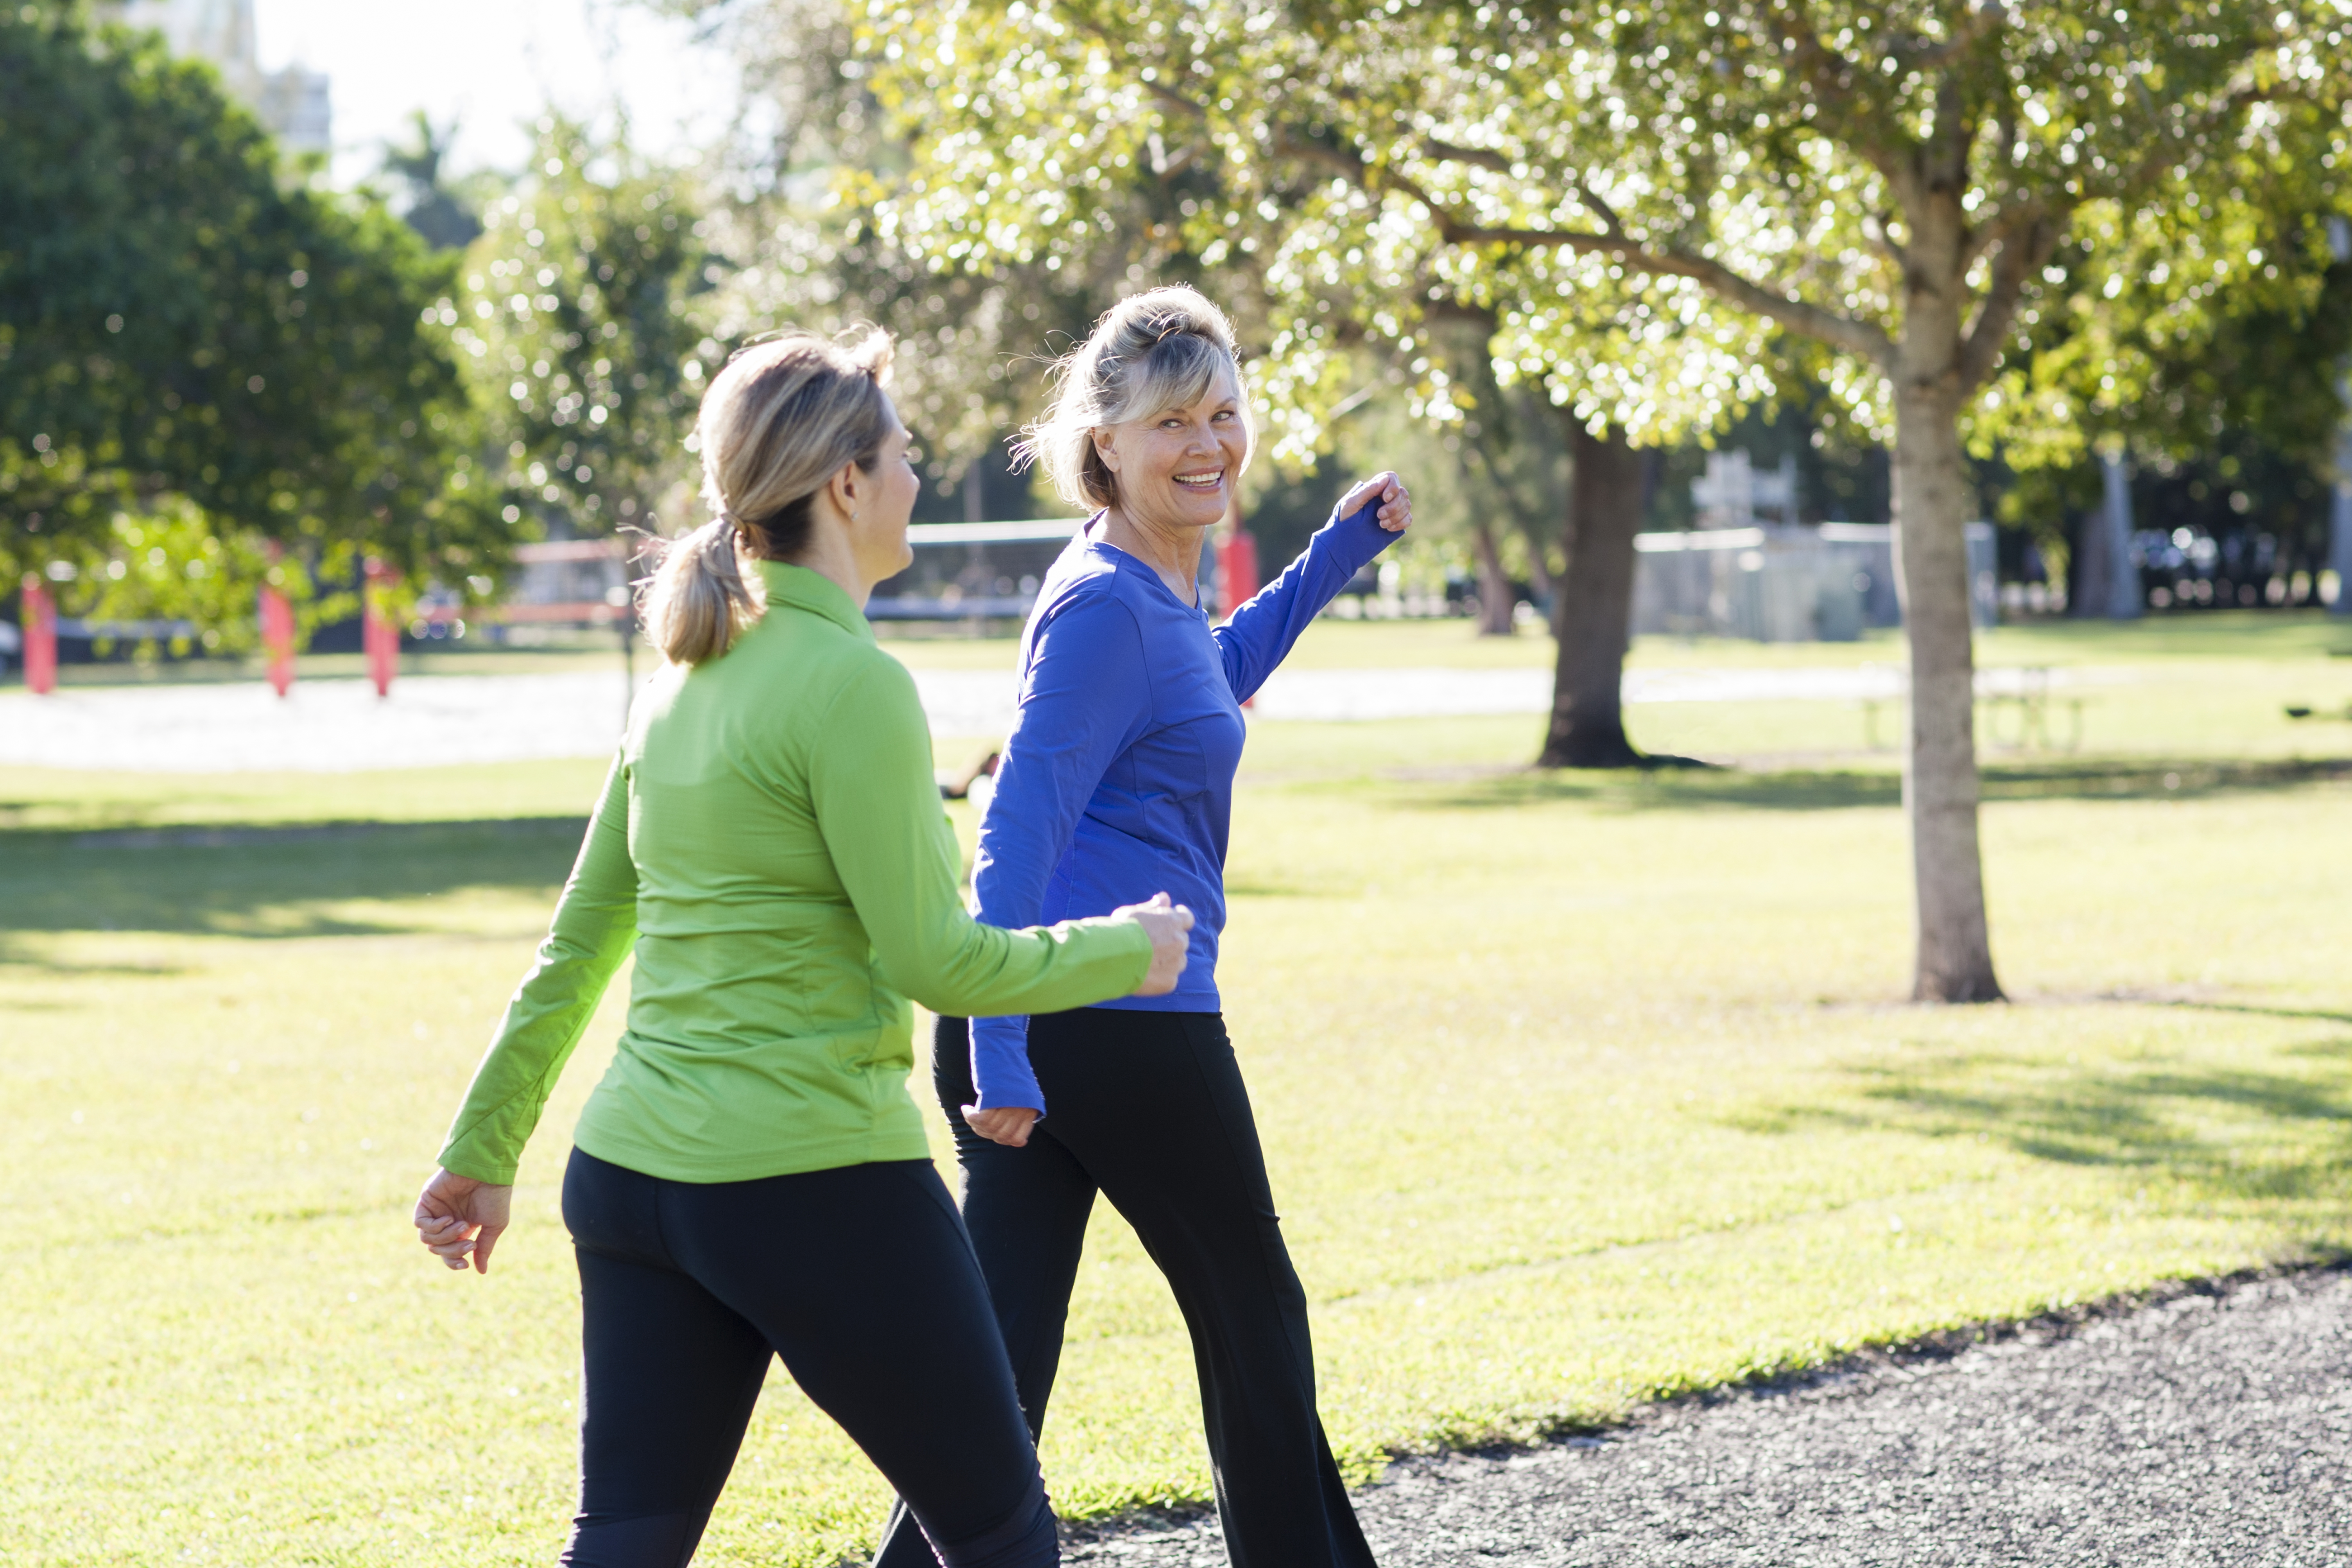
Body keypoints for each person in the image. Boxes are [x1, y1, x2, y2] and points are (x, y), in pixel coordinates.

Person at [410, 327, 1196, 1568]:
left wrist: (483, 1147)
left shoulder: (679, 677)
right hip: (814, 1178)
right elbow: (940, 960)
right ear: (843, 484)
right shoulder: (853, 685)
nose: (918, 482)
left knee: (623, 1544)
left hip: (631, 1181)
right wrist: (1124, 949)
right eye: (902, 458)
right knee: (1002, 1540)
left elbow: (576, 947)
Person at [873, 287, 1411, 1568]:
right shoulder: (1110, 603)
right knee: (1253, 1319)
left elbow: (1204, 685)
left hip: (1053, 1024)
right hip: (1107, 1020)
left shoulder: (1147, 591)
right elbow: (1015, 827)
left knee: (995, 1385)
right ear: (1104, 439)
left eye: (1224, 412)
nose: (1208, 443)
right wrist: (1001, 1055)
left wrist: (1330, 559)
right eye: (1172, 419)